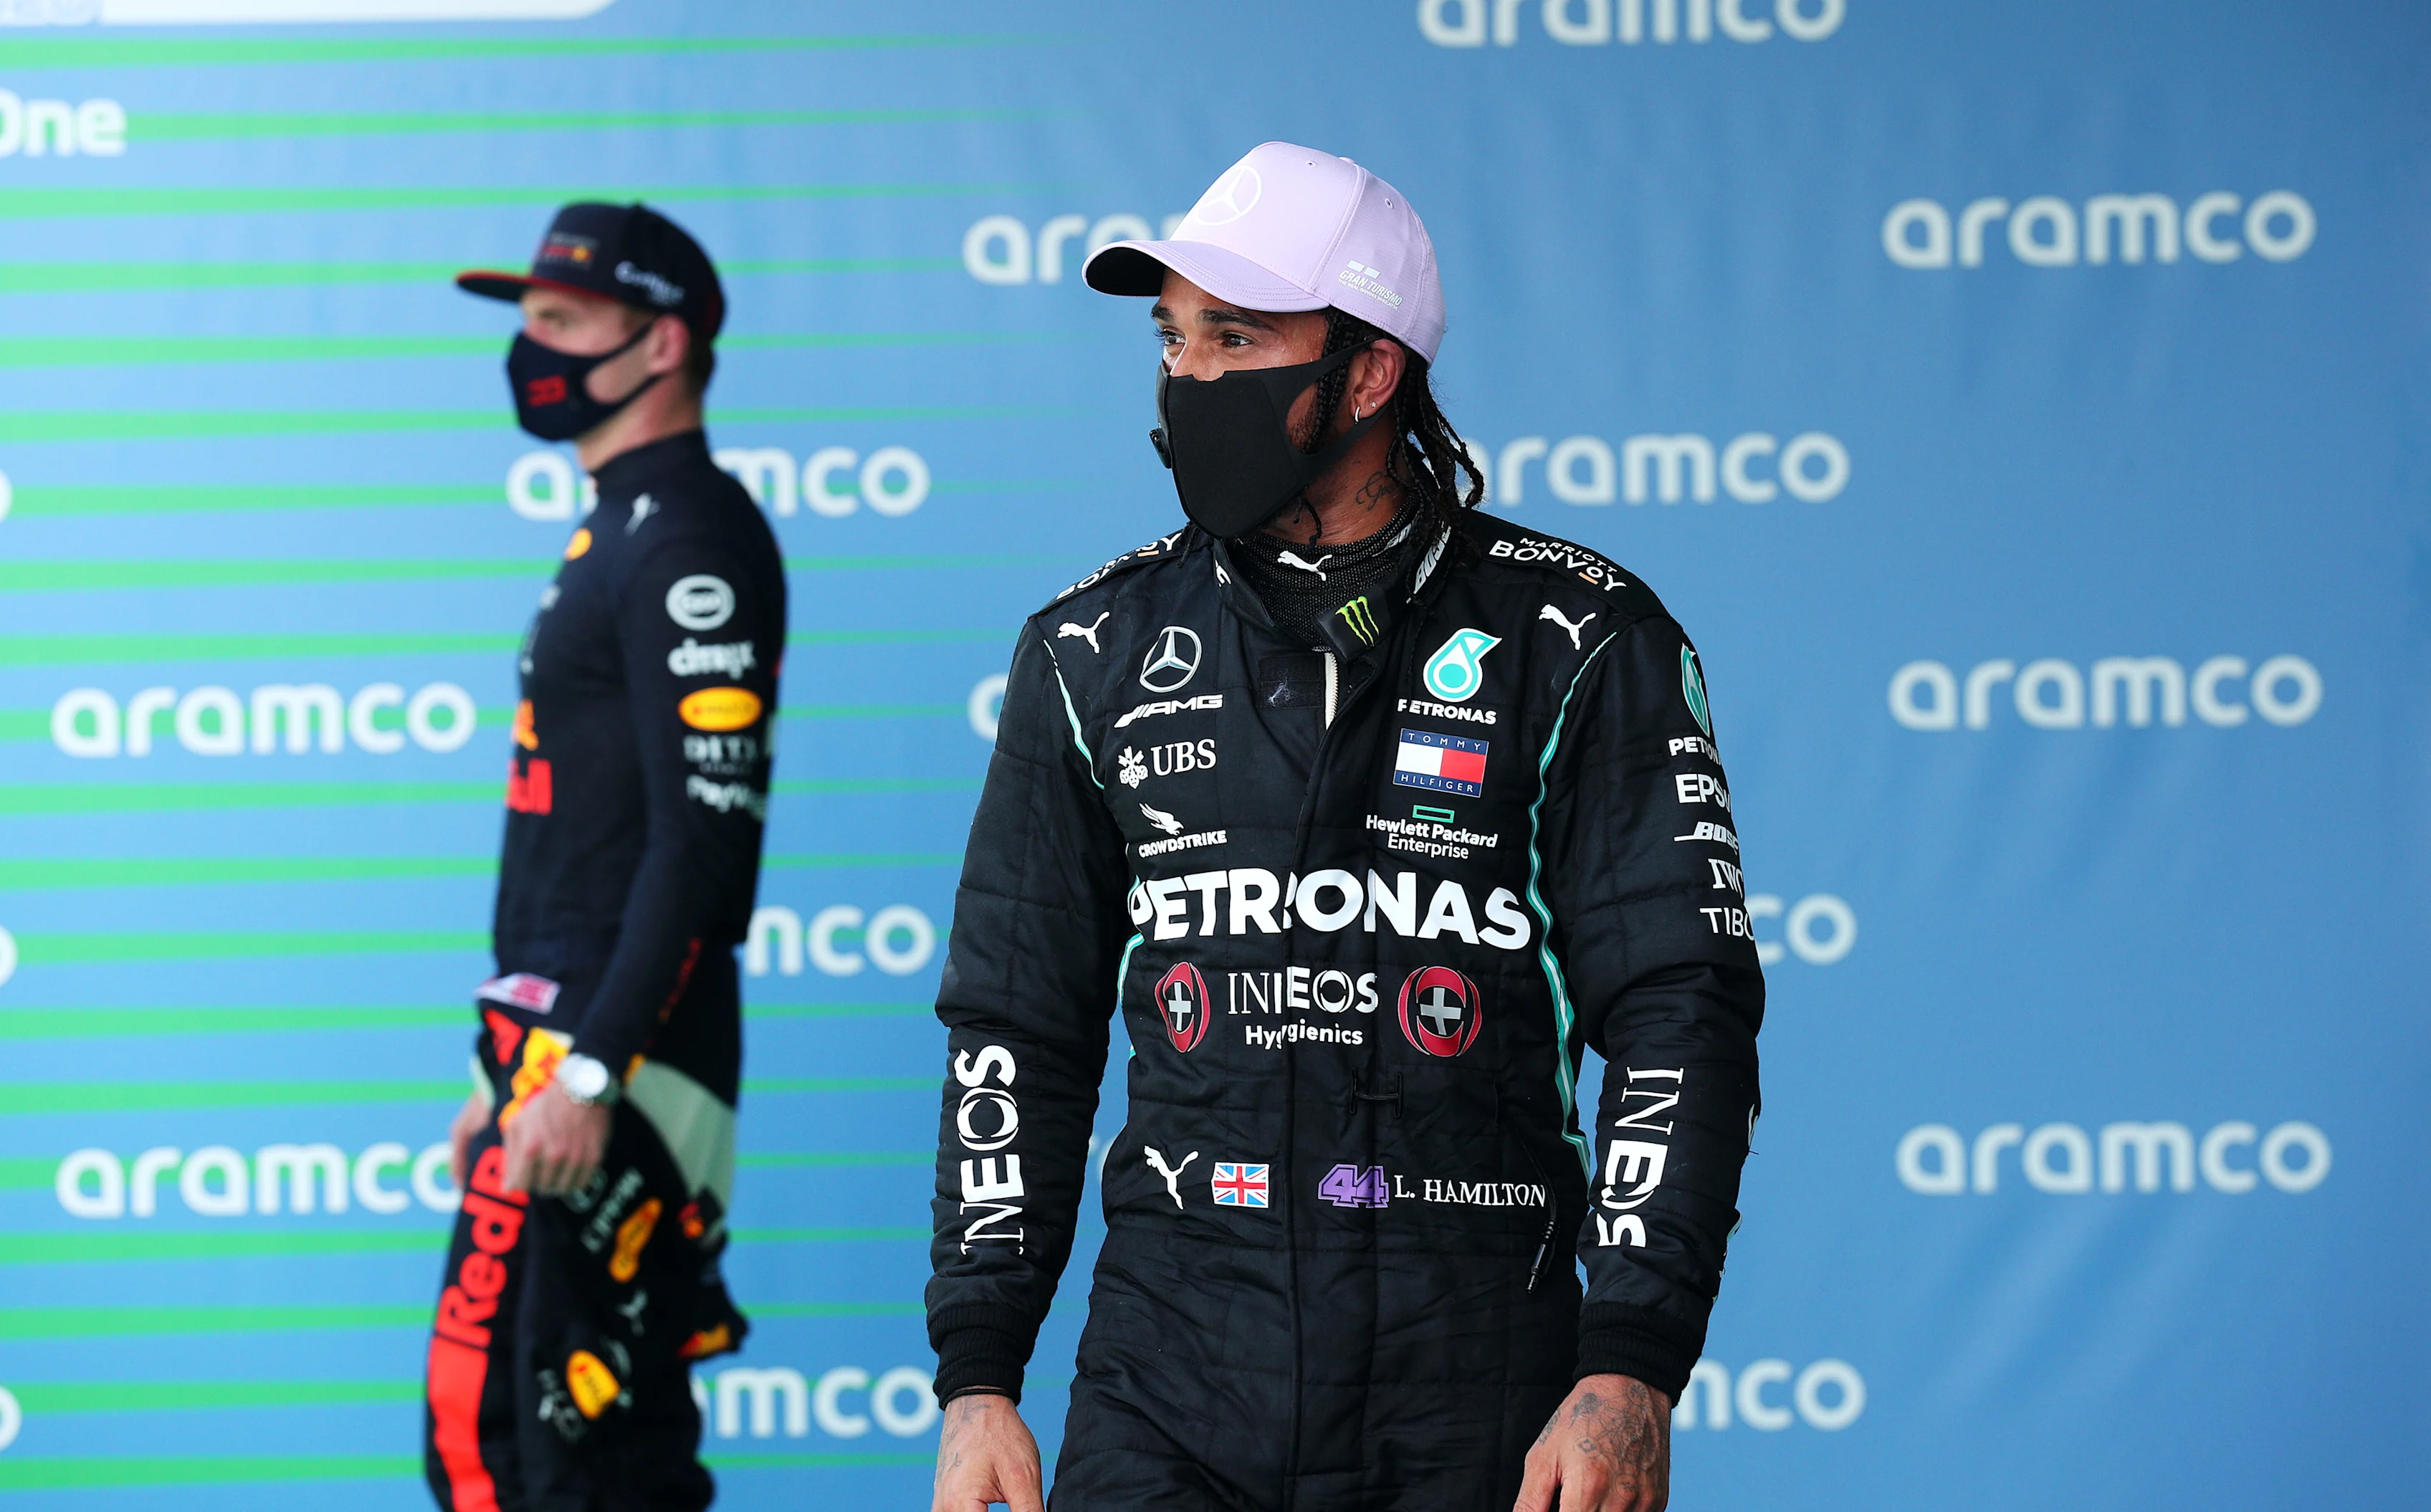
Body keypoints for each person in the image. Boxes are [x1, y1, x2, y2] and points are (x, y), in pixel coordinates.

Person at [925, 142, 1765, 1512]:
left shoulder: (1582, 637)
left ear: (1369, 372)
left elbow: (1683, 1006)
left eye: (1236, 337)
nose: (1189, 378)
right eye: (1175, 338)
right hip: (1165, 1380)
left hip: (1480, 1388)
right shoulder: (1090, 648)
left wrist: (1631, 1368)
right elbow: (1017, 1026)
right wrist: (978, 1378)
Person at [424, 202, 786, 1512]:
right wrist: (508, 1059)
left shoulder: (688, 535)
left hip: (625, 1057)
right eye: (524, 326)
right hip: (558, 1037)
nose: (532, 353)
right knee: (497, 1447)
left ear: (663, 342)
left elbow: (704, 847)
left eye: (563, 323)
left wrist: (588, 1065)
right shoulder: (623, 521)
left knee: (588, 1458)